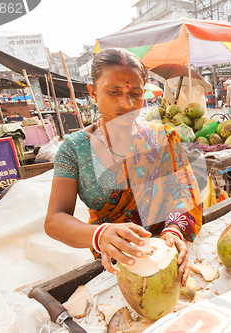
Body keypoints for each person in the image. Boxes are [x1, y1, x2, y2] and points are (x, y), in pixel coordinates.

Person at [45, 48, 202, 286]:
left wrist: (174, 231)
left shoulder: (163, 139)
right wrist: (101, 234)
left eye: (136, 93)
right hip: (116, 260)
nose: (127, 104)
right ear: (93, 92)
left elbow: (185, 193)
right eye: (114, 92)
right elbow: (55, 219)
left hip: (168, 253)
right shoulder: (74, 149)